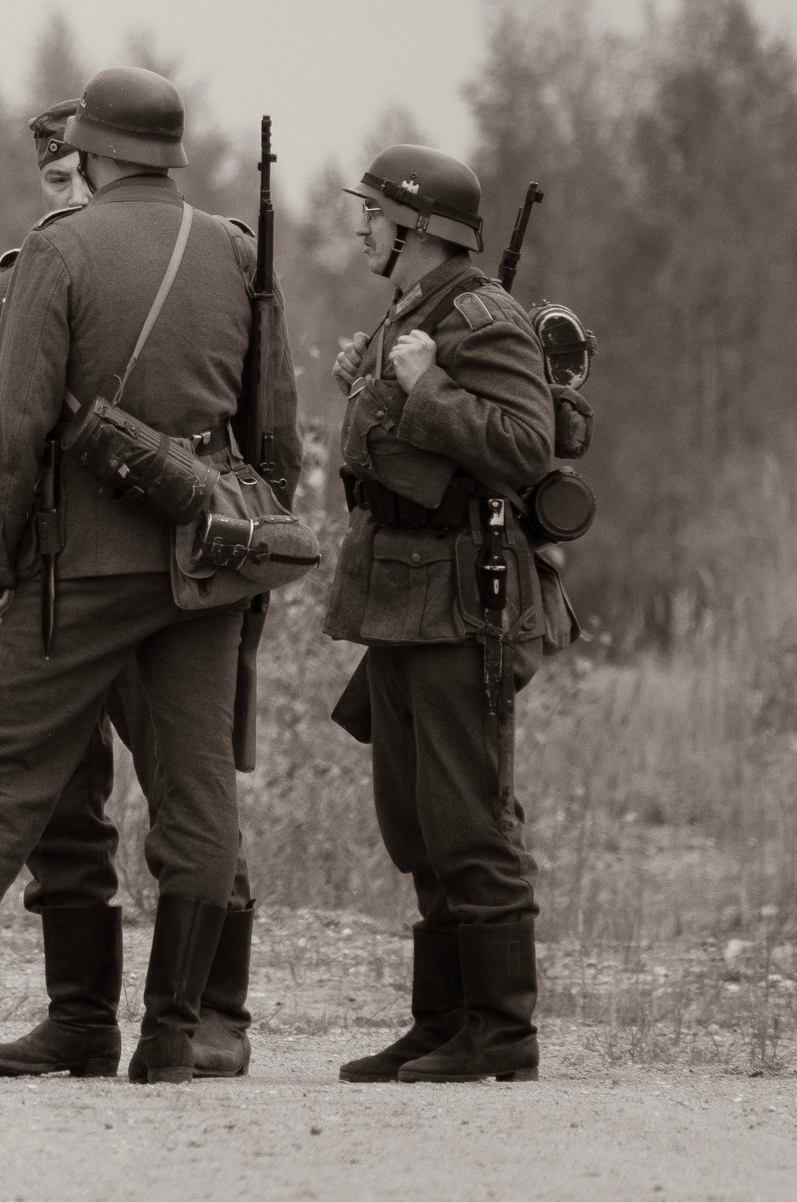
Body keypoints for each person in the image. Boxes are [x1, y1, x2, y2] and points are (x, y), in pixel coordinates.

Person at [0, 65, 300, 1086]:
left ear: (94, 151)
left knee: (0, 786)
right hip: (204, 565)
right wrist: (246, 555)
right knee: (196, 796)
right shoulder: (235, 250)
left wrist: (3, 555)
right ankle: (167, 1038)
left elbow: (11, 429)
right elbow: (272, 430)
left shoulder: (58, 251)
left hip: (79, 567)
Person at [326, 144, 557, 1084]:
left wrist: (426, 387)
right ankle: (442, 1021)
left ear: (416, 228)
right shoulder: (414, 310)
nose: (362, 228)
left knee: (470, 818)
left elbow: (527, 446)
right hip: (399, 593)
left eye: (374, 214)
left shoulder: (480, 314)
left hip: (462, 598)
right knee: (415, 818)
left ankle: (502, 1032)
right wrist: (375, 383)